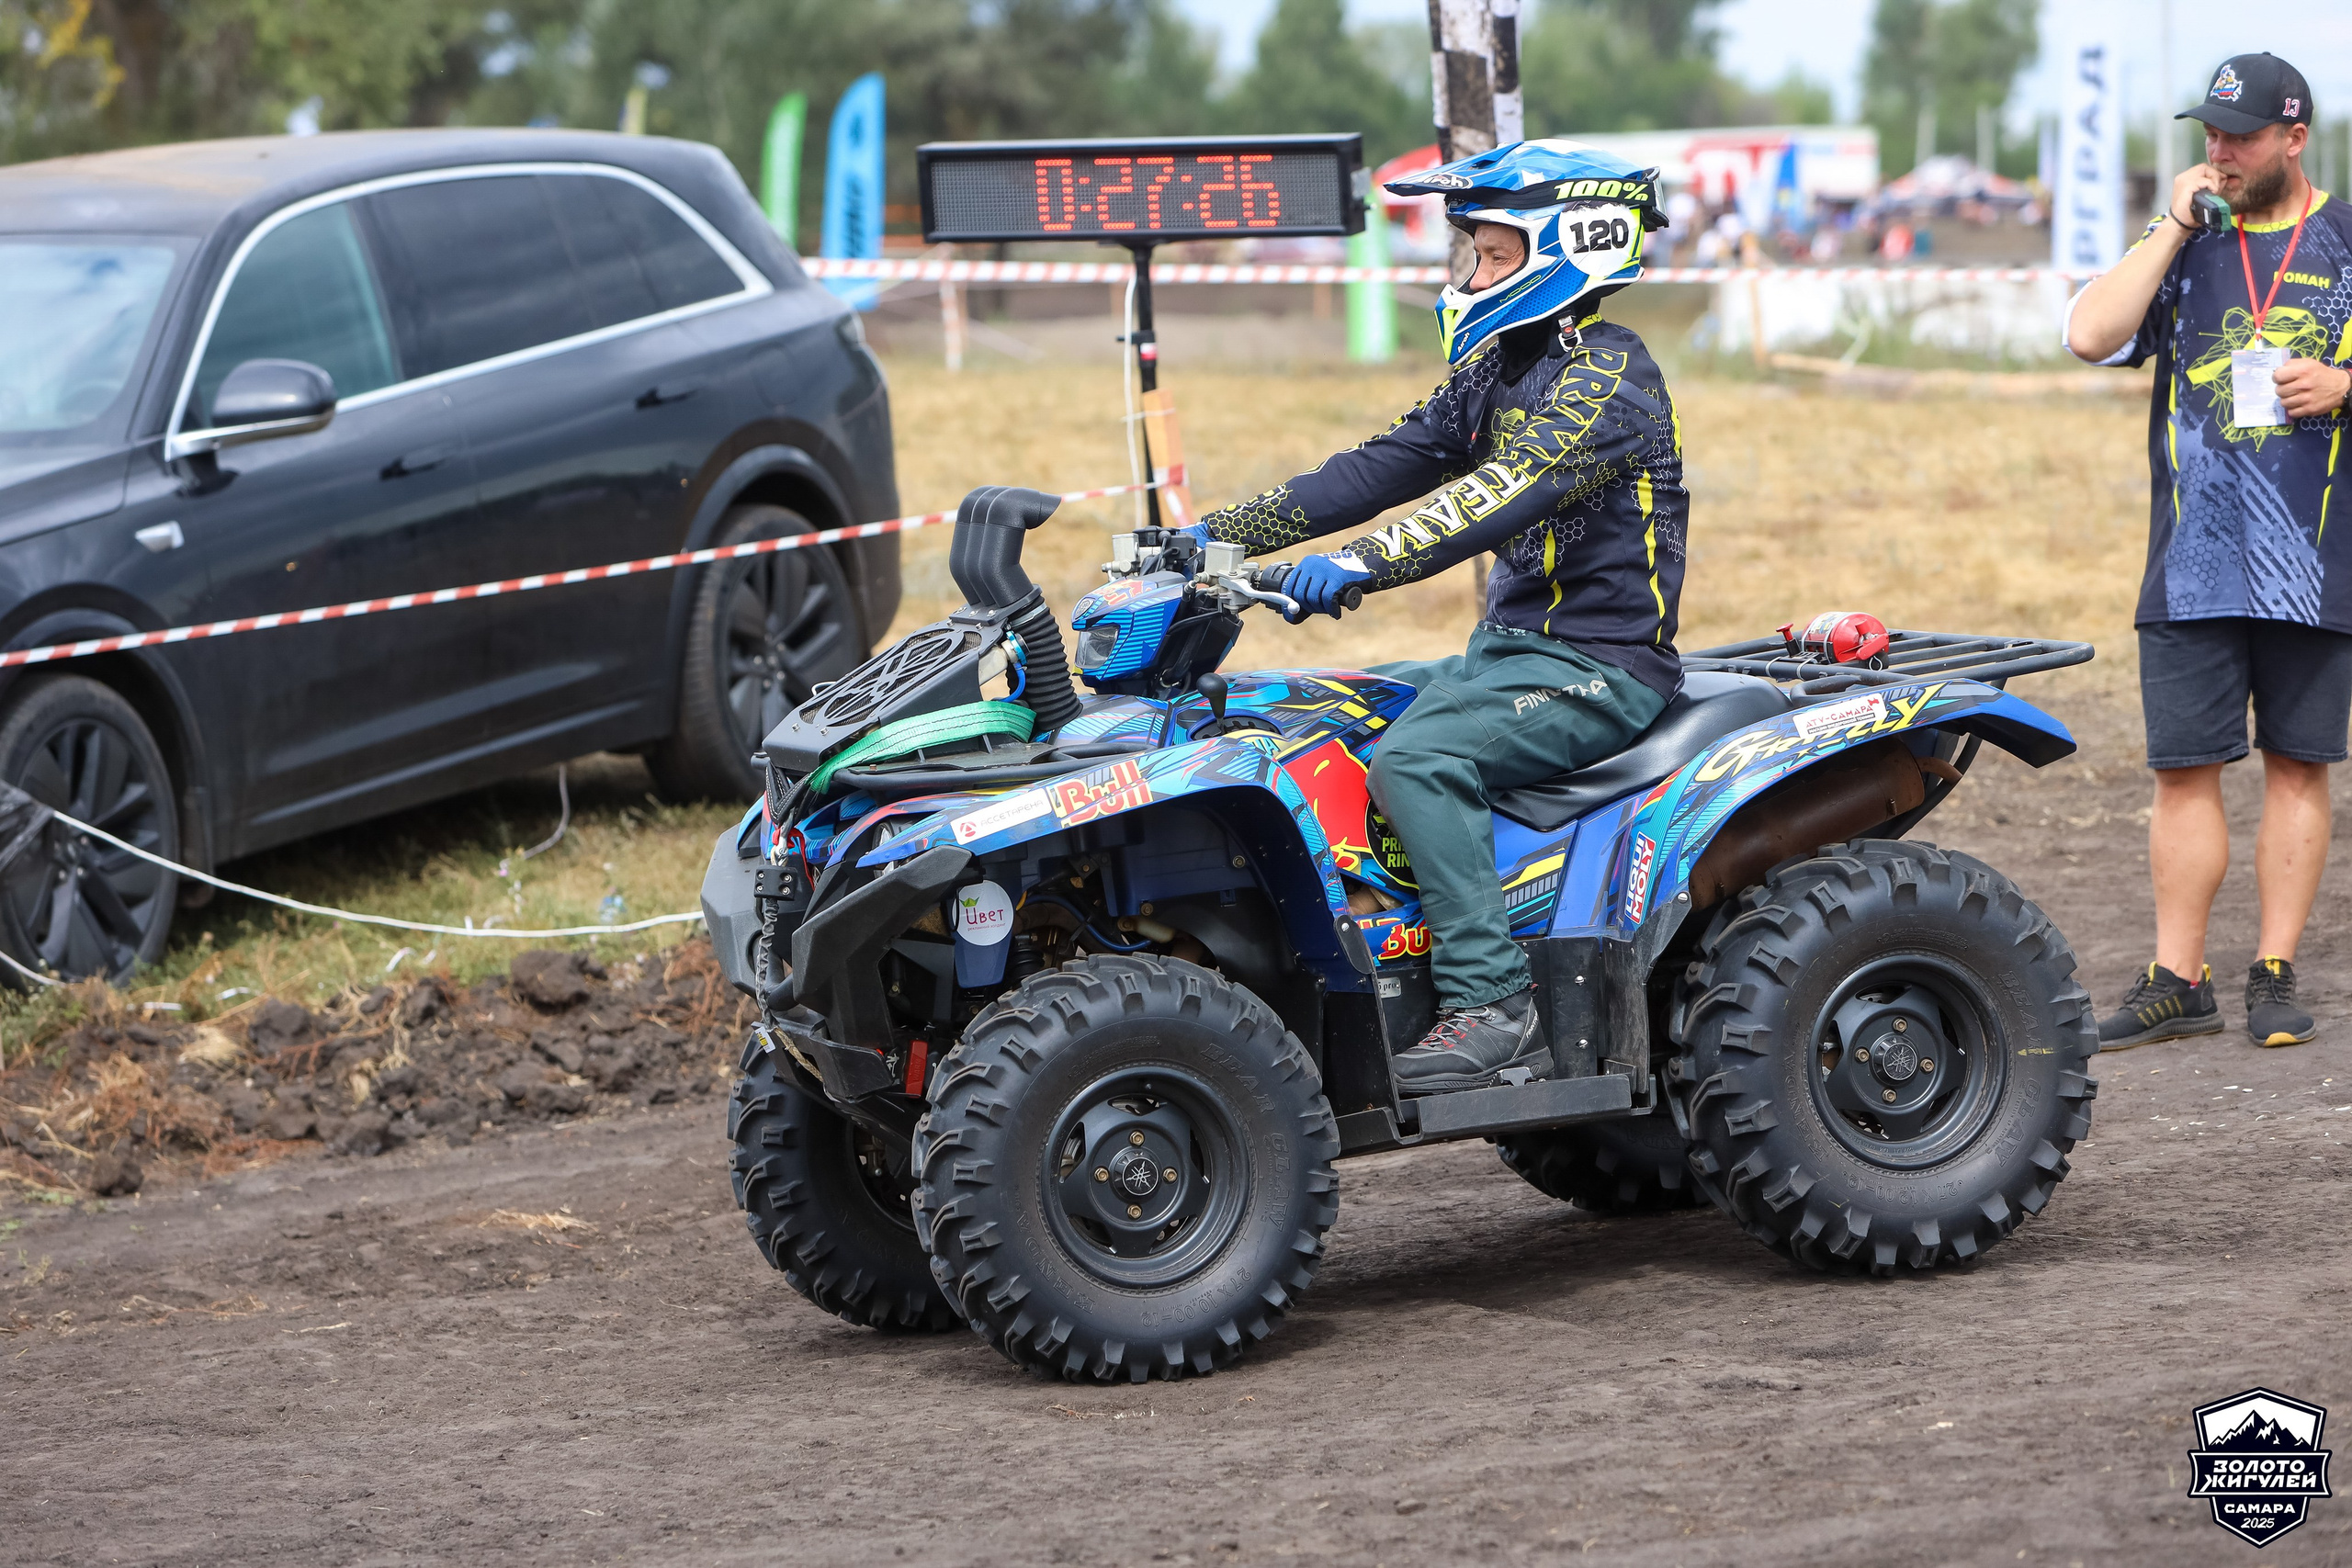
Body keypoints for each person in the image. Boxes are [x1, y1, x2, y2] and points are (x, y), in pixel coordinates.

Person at [1185, 141, 1688, 1093]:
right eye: (1474, 255)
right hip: (1508, 655)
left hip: (1601, 667)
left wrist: (1359, 564)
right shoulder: (1502, 367)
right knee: (1303, 719)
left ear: (1568, 249)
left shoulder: (1605, 382)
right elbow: (1386, 463)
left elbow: (1492, 496)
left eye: (1494, 255)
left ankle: (1494, 1005)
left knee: (1418, 759)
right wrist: (1215, 533)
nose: (1473, 275)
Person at [2063, 52, 2352, 1050]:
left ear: (2293, 138)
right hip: (2191, 557)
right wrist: (2172, 221)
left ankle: (2272, 969)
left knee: (2295, 764)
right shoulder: (2184, 238)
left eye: (2238, 136)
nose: (2218, 152)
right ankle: (2175, 978)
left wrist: (2347, 384)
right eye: (2208, 134)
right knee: (2182, 770)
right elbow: (2087, 334)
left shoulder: (2346, 236)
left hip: (2316, 556)